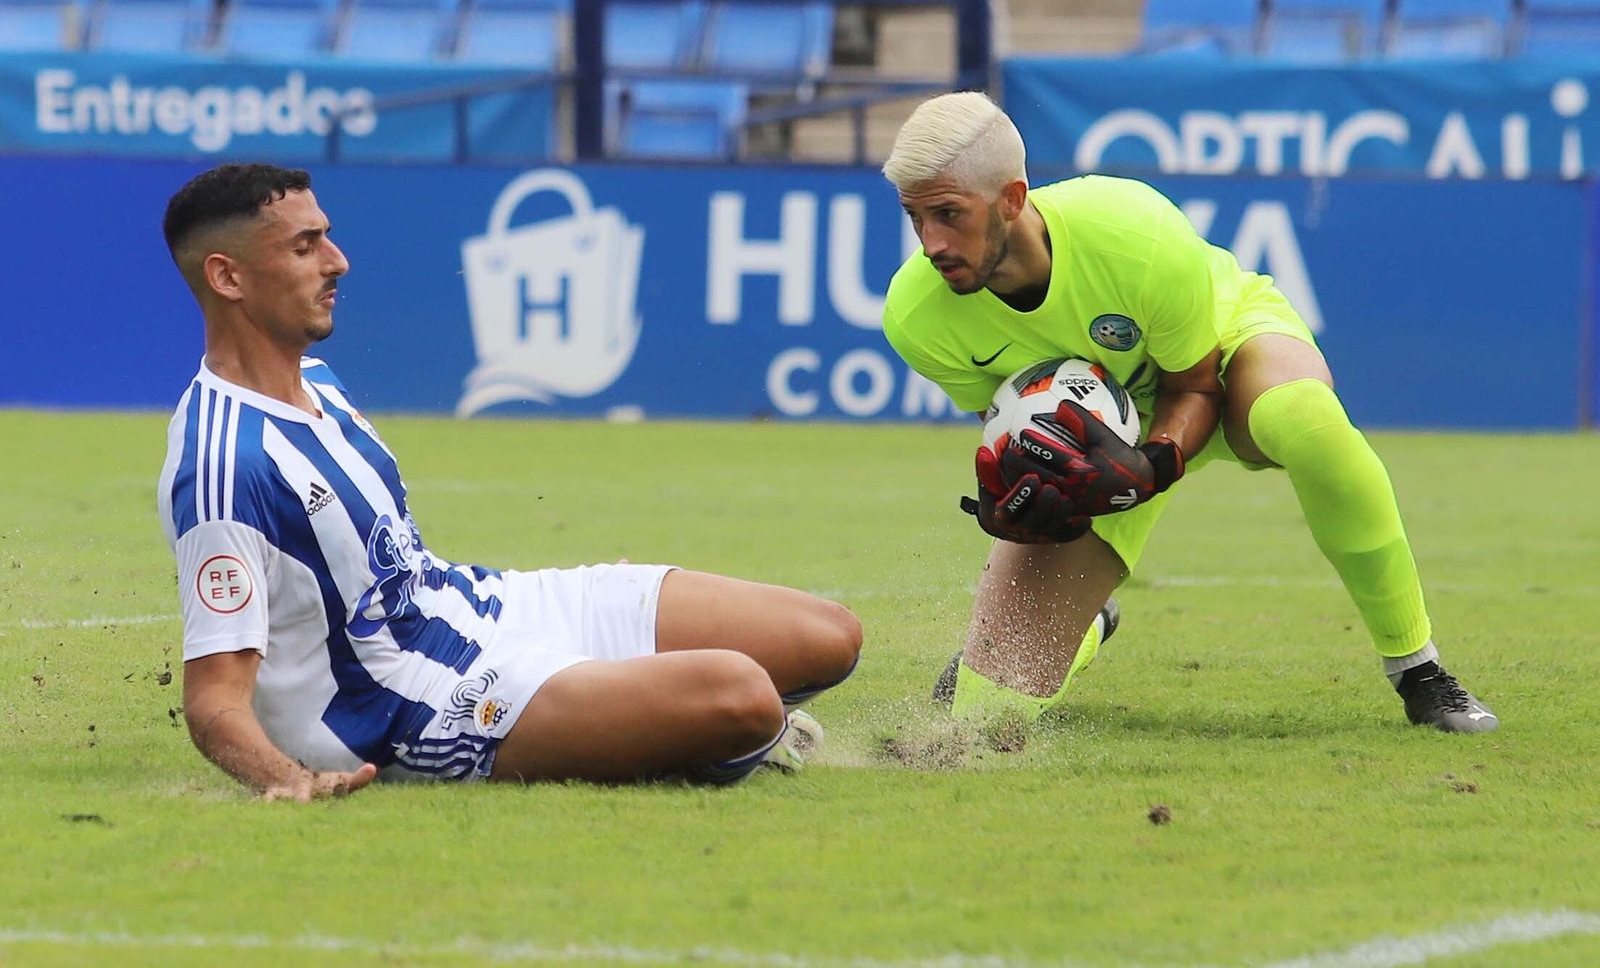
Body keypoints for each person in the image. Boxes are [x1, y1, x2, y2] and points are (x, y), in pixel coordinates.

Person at [158, 163, 863, 800]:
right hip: (415, 699)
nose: (338, 262)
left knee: (830, 635)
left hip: (488, 606)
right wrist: (291, 779)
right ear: (228, 277)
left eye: (327, 237)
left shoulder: (315, 378)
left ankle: (637, 709)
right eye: (304, 246)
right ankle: (687, 730)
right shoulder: (225, 465)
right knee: (741, 696)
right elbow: (214, 699)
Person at [880, 92, 1496, 734]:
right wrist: (1022, 498)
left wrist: (1152, 465)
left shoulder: (1130, 229)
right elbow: (1009, 423)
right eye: (915, 217)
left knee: (1306, 418)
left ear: (1012, 198)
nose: (931, 243)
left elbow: (1195, 386)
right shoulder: (916, 316)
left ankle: (1419, 671)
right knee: (985, 713)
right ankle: (1086, 624)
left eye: (949, 214)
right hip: (1112, 431)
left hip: (1220, 358)